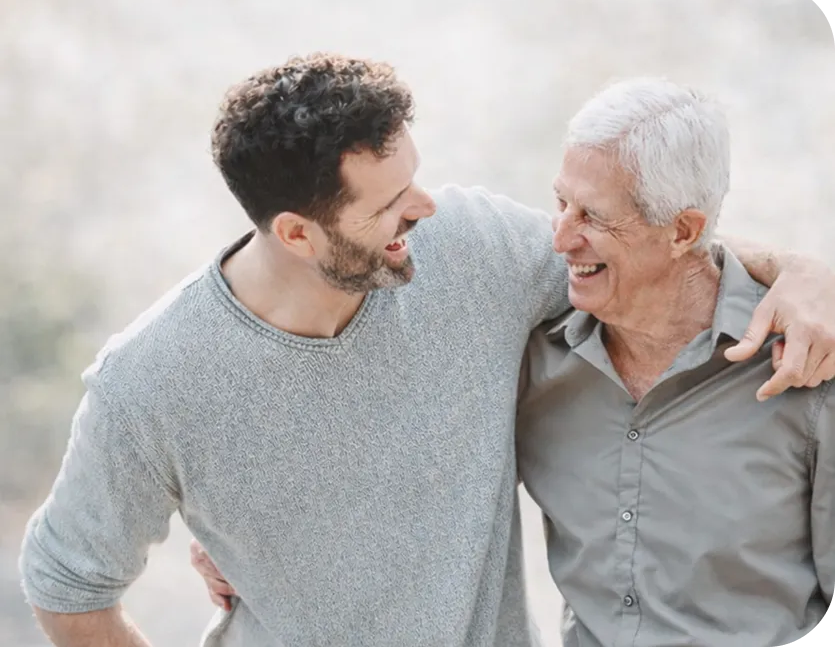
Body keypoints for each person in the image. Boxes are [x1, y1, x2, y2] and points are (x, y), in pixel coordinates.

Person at [19, 54, 835, 647]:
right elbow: (68, 587)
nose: (426, 204)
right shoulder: (152, 382)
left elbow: (653, 258)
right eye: (389, 204)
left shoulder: (470, 251)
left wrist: (802, 272)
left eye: (414, 174)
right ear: (299, 234)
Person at [514, 78, 834, 645]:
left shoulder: (805, 368)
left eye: (591, 216)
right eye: (560, 202)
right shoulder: (536, 357)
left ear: (682, 230)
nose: (560, 238)